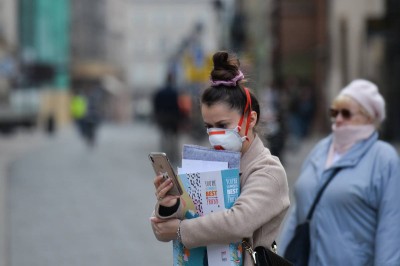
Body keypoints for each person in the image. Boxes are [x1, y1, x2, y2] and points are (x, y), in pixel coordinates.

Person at [150, 51, 290, 265]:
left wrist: (179, 230)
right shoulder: (208, 163)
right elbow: (179, 218)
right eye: (209, 126)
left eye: (223, 125)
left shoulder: (268, 170)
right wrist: (169, 205)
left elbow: (238, 222)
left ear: (250, 119)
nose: (214, 134)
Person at [277, 79, 400, 265]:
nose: (339, 118)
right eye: (335, 112)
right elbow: (299, 212)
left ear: (369, 117)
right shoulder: (320, 149)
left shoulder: (383, 158)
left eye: (347, 113)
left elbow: (390, 229)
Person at [152, 72, 182, 165]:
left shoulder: (160, 91)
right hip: (173, 117)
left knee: (164, 136)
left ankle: (164, 155)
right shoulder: (175, 91)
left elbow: (155, 104)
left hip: (163, 116)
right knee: (174, 138)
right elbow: (178, 105)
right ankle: (174, 155)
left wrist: (157, 115)